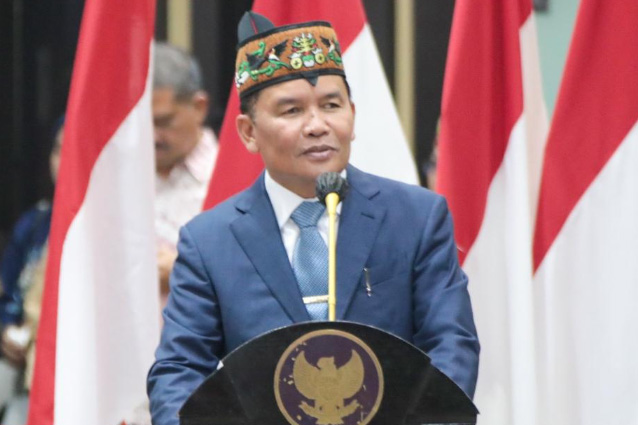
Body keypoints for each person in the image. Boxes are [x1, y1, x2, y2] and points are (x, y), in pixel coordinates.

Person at [148, 13, 479, 425]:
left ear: (352, 116)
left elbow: (452, 345)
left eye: (331, 106)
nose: (318, 126)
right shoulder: (209, 241)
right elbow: (178, 371)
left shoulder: (416, 218)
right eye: (292, 111)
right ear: (248, 132)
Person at [0, 119, 63, 425]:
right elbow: (7, 289)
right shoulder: (35, 222)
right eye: (58, 150)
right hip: (26, 372)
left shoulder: (109, 227)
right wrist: (6, 329)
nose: (63, 161)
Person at [152, 43, 218, 298]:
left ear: (199, 107)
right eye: (141, 124)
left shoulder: (230, 177)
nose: (153, 136)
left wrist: (184, 271)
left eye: (163, 122)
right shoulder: (116, 180)